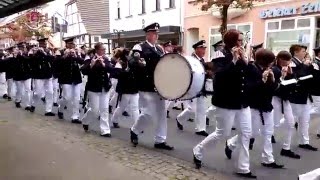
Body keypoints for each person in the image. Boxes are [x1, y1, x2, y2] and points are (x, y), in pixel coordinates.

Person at [193, 29, 255, 178]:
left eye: (242, 40)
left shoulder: (242, 54)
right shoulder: (220, 54)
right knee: (222, 133)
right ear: (232, 41)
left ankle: (243, 168)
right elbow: (219, 76)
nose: (241, 43)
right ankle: (198, 149)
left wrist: (248, 61)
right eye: (239, 40)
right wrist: (233, 61)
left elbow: (250, 75)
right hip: (226, 101)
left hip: (242, 101)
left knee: (246, 134)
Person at [225, 48, 284, 169]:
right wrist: (262, 80)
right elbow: (249, 88)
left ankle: (268, 159)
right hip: (254, 106)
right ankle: (231, 144)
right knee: (252, 133)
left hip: (267, 105)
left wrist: (273, 80)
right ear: (265, 61)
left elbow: (272, 90)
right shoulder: (251, 69)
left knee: (268, 133)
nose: (272, 64)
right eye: (271, 62)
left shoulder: (269, 70)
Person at [130, 22, 174, 150]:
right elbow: (132, 60)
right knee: (148, 113)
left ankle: (160, 140)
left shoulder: (159, 49)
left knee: (161, 113)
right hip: (145, 84)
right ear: (148, 34)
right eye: (154, 33)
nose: (156, 35)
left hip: (159, 85)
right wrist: (138, 62)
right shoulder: (140, 47)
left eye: (157, 33)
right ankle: (135, 130)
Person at [81, 42, 118, 137]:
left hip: (104, 86)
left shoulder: (106, 58)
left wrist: (104, 64)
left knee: (104, 109)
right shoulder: (89, 58)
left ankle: (105, 130)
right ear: (97, 50)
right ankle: (85, 120)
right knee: (94, 110)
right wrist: (91, 65)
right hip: (93, 87)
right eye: (103, 49)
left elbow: (111, 70)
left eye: (105, 49)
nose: (104, 51)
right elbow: (84, 71)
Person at [176, 40, 209, 136]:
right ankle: (179, 118)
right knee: (192, 108)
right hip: (193, 86)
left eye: (204, 49)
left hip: (201, 86)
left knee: (202, 108)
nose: (204, 51)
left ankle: (200, 129)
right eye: (202, 48)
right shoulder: (192, 60)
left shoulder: (202, 60)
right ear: (197, 49)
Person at [287, 44, 317, 152]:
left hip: (305, 96)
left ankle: (304, 142)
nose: (305, 53)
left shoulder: (302, 64)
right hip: (296, 96)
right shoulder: (292, 63)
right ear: (295, 52)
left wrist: (310, 67)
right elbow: (295, 77)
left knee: (305, 120)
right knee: (291, 121)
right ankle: (286, 145)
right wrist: (305, 68)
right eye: (303, 51)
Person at [111, 48, 139, 128]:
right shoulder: (120, 63)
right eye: (130, 54)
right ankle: (114, 119)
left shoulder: (134, 62)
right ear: (126, 55)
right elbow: (116, 74)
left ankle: (137, 126)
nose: (131, 56)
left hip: (134, 87)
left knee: (135, 107)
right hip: (125, 87)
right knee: (122, 107)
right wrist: (126, 72)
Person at [56, 48, 84, 124]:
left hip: (76, 80)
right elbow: (57, 65)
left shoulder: (76, 58)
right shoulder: (63, 59)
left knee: (76, 98)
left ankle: (75, 117)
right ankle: (60, 109)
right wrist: (65, 56)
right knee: (66, 97)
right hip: (66, 80)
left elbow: (82, 62)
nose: (71, 53)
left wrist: (76, 55)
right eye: (70, 52)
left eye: (73, 52)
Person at [310, 46, 320, 138]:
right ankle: (299, 119)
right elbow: (316, 78)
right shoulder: (315, 64)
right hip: (316, 90)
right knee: (317, 110)